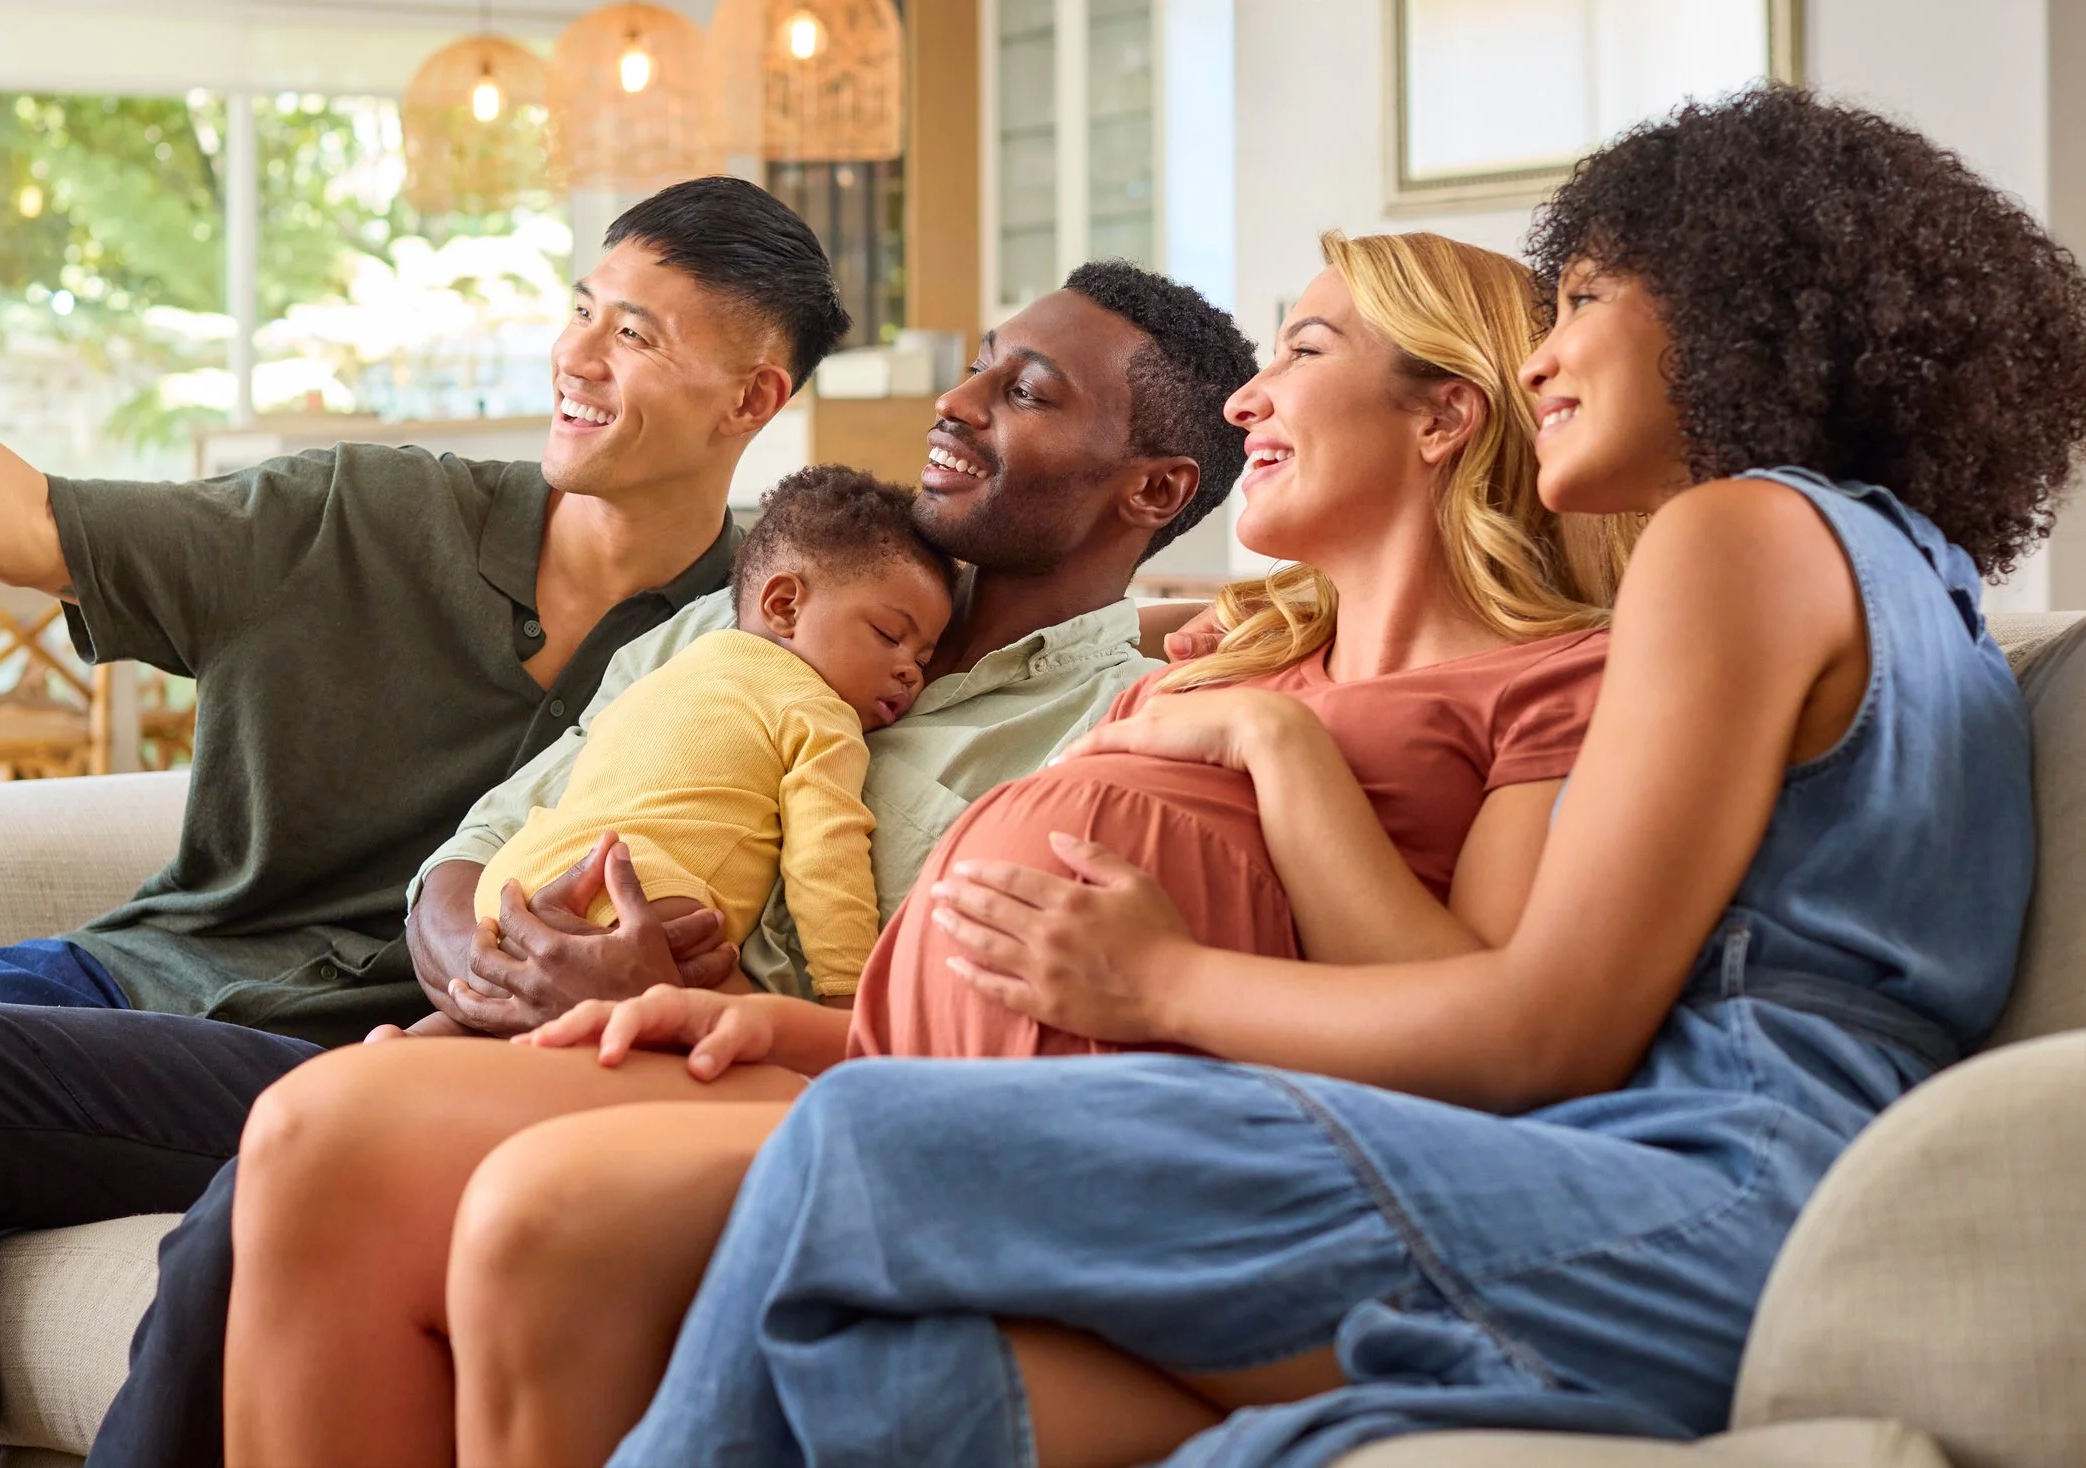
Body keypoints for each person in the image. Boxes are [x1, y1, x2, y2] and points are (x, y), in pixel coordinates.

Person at [521, 87, 2086, 1468]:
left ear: (1740, 302)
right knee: (899, 1380)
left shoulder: (1738, 537)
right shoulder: (1910, 584)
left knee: (860, 1149)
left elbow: (1543, 1027)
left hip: (1695, 1208)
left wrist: (1165, 984)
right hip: (1682, 1204)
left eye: (1590, 294)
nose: (1546, 352)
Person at [0, 258, 1258, 1468]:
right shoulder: (749, 607)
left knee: (290, 1177)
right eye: (986, 359)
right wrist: (480, 952)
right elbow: (482, 838)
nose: (962, 399)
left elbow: (956, 1013)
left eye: (1029, 390)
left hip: (681, 1081)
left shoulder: (1118, 720)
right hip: (460, 1017)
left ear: (1149, 491)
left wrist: (664, 985)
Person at [216, 229, 1638, 1466]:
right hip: (892, 1064)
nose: (1252, 398)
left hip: (1070, 1128)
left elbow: (1476, 1033)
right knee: (317, 1125)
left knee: (539, 1209)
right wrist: (742, 1013)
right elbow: (965, 960)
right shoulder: (1229, 654)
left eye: (1302, 352)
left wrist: (1288, 763)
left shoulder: (1546, 681)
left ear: (1446, 418)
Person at [0, 169, 849, 1466]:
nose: (576, 355)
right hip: (132, 976)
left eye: (636, 335)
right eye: (583, 309)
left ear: (754, 400)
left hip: (348, 1061)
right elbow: (29, 525)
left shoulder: (763, 628)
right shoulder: (358, 516)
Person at [469, 464, 956, 1003]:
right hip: (639, 892)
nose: (910, 671)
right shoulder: (818, 712)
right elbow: (826, 856)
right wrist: (846, 992)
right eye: (890, 635)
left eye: (924, 657)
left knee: (494, 1011)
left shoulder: (681, 662)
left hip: (522, 872)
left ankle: (417, 1037)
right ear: (784, 606)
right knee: (722, 997)